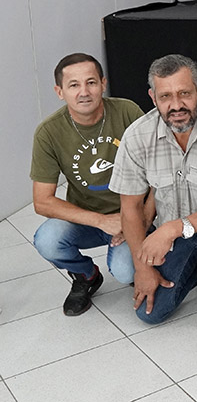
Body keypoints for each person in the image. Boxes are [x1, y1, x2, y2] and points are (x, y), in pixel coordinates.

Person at [110, 54, 197, 346]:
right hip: (177, 230)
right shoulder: (137, 136)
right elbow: (130, 208)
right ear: (153, 98)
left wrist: (172, 228)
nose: (176, 105)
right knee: (151, 314)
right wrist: (143, 269)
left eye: (184, 93)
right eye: (166, 96)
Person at [31, 53, 145, 316]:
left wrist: (134, 219)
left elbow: (157, 172)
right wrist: (101, 221)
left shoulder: (127, 111)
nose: (84, 92)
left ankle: (140, 259)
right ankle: (86, 275)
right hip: (88, 218)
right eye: (74, 85)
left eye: (91, 82)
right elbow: (42, 201)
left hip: (134, 212)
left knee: (125, 270)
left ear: (103, 83)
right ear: (59, 91)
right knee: (47, 240)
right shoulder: (48, 132)